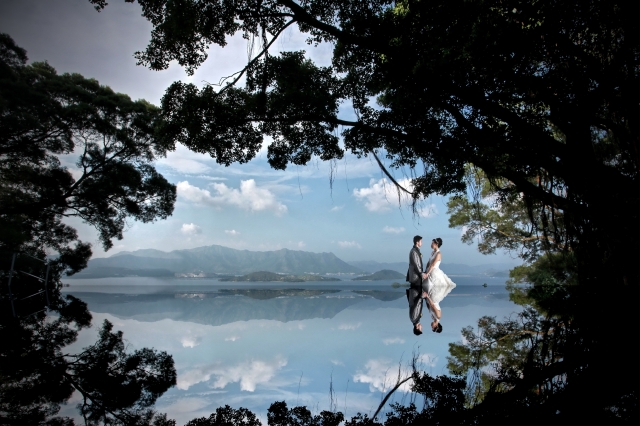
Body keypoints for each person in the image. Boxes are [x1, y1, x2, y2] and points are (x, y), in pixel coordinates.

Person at [422, 238, 456, 333]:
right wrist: (426, 272)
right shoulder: (438, 316)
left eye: (432, 242)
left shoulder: (439, 254)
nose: (431, 244)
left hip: (433, 273)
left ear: (436, 244)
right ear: (436, 326)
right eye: (432, 327)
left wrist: (427, 298)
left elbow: (433, 265)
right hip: (431, 275)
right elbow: (430, 263)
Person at [406, 235, 428, 335]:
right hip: (415, 278)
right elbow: (416, 264)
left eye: (421, 328)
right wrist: (421, 273)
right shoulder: (414, 251)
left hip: (416, 277)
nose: (422, 243)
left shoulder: (414, 319)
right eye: (421, 241)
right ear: (417, 242)